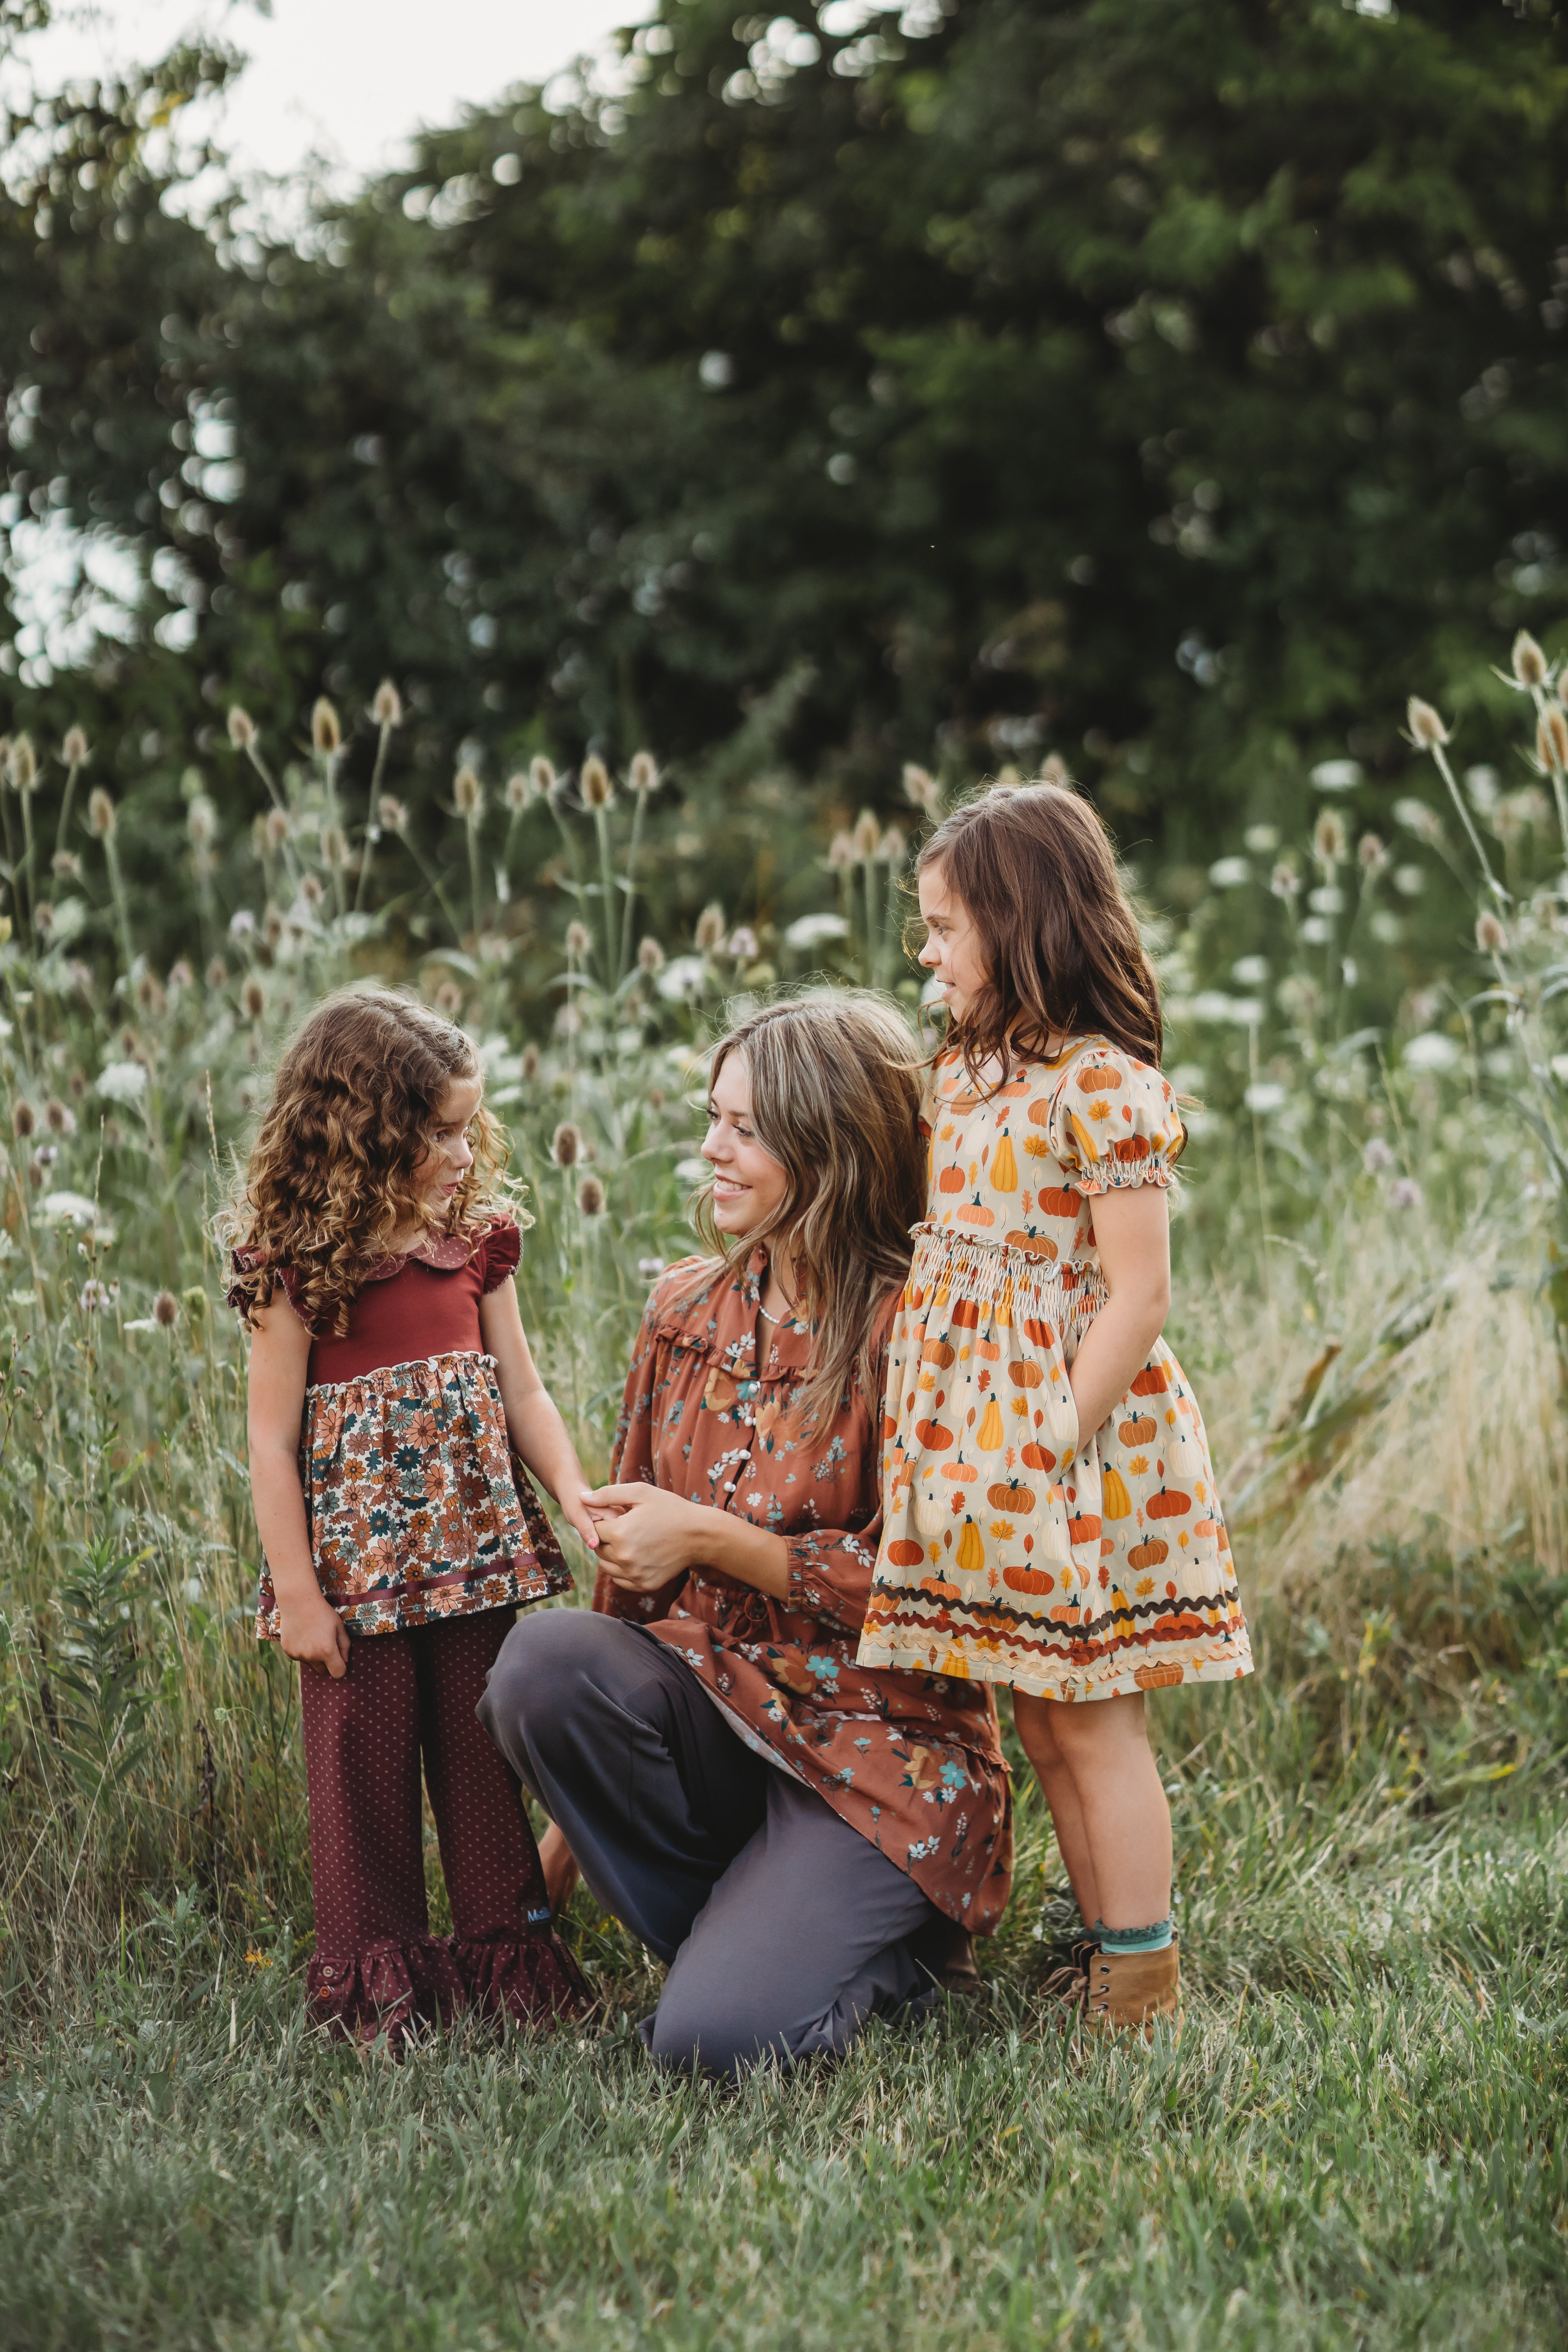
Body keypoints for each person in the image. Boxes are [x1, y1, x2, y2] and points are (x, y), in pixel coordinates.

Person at [478, 995, 1013, 2080]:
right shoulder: (683, 1312)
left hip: (881, 1756)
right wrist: (554, 1866)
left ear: (829, 1149)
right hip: (719, 1724)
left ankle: (896, 1954)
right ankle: (750, 1938)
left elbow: (945, 1592)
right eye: (711, 1117)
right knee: (541, 1664)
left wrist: (714, 1541)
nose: (710, 1150)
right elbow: (623, 1594)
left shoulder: (921, 1328)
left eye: (745, 1129)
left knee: (710, 2045)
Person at [857, 782, 1252, 2033]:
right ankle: (1101, 1944)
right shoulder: (965, 1080)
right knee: (1039, 1709)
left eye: (943, 926)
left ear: (1022, 924)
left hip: (1072, 1444)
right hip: (980, 1441)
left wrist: (1043, 1444)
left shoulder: (1099, 1085)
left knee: (1093, 1715)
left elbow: (1139, 1298)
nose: (925, 951)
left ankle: (1142, 1980)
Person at [223, 989, 595, 2042]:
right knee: (361, 1772)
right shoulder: (299, 1268)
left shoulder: (476, 1241)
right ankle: (377, 1983)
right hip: (354, 1581)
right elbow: (271, 1441)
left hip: (474, 1561)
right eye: (435, 1132)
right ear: (363, 1133)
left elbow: (522, 1389)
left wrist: (570, 1493)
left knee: (483, 1760)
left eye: (468, 1126)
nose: (460, 1150)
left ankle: (507, 1954)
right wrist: (296, 1591)